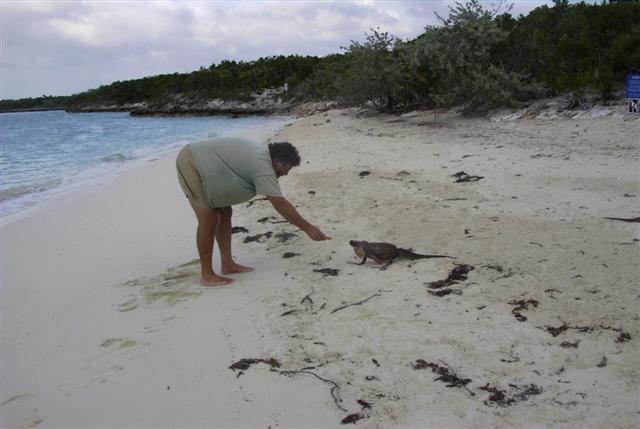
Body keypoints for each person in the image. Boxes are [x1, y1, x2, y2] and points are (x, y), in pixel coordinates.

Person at [176, 136, 331, 286]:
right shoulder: (263, 165)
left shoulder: (263, 157)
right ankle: (207, 275)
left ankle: (228, 264)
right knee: (208, 217)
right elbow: (280, 204)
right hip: (192, 161)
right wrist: (308, 228)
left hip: (207, 163)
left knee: (225, 212)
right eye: (287, 168)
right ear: (277, 161)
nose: (286, 173)